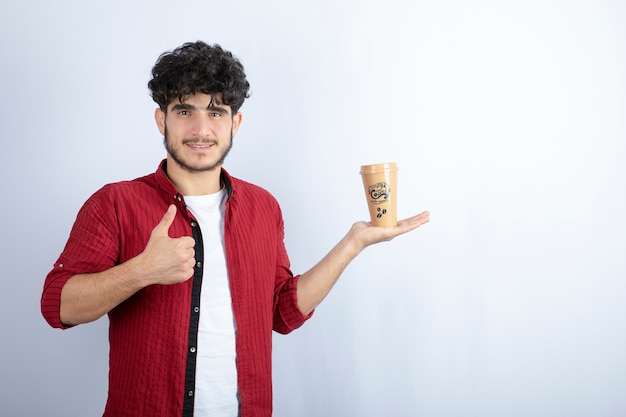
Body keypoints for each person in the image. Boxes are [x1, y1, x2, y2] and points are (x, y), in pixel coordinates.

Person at [41, 41, 430, 417]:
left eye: (215, 112)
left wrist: (353, 243)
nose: (200, 128)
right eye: (183, 110)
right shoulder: (115, 203)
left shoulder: (263, 207)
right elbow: (58, 306)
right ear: (161, 119)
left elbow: (281, 312)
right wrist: (141, 271)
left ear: (235, 122)